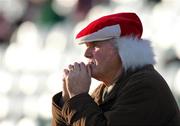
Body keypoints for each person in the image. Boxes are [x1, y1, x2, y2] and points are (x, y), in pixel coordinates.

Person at [51, 12, 180, 126]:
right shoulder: (104, 90)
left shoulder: (144, 86)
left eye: (95, 46)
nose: (86, 54)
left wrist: (78, 97)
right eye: (86, 47)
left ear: (123, 49)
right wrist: (66, 100)